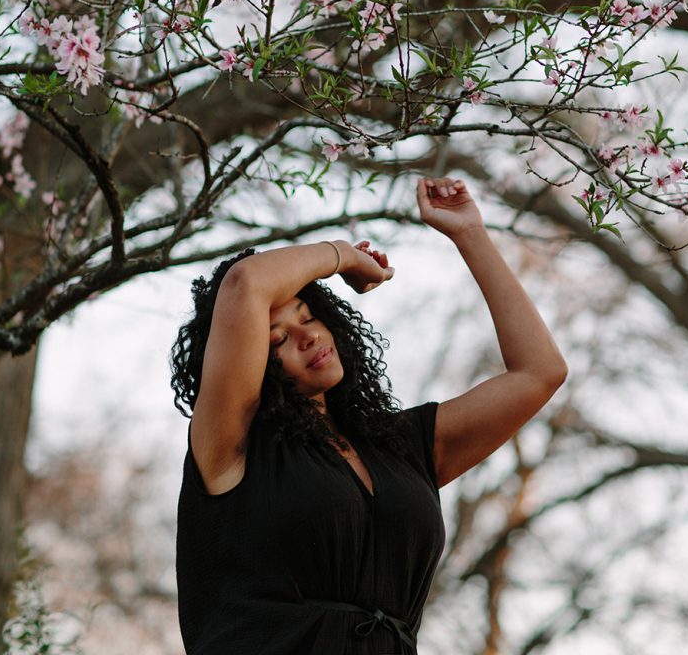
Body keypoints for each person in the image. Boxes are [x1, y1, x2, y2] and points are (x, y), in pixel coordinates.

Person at [170, 175, 568, 654]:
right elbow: (247, 283)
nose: (308, 337)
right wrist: (344, 255)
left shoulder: (398, 447)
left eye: (309, 316)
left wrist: (469, 234)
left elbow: (539, 372)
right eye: (277, 339)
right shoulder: (230, 447)